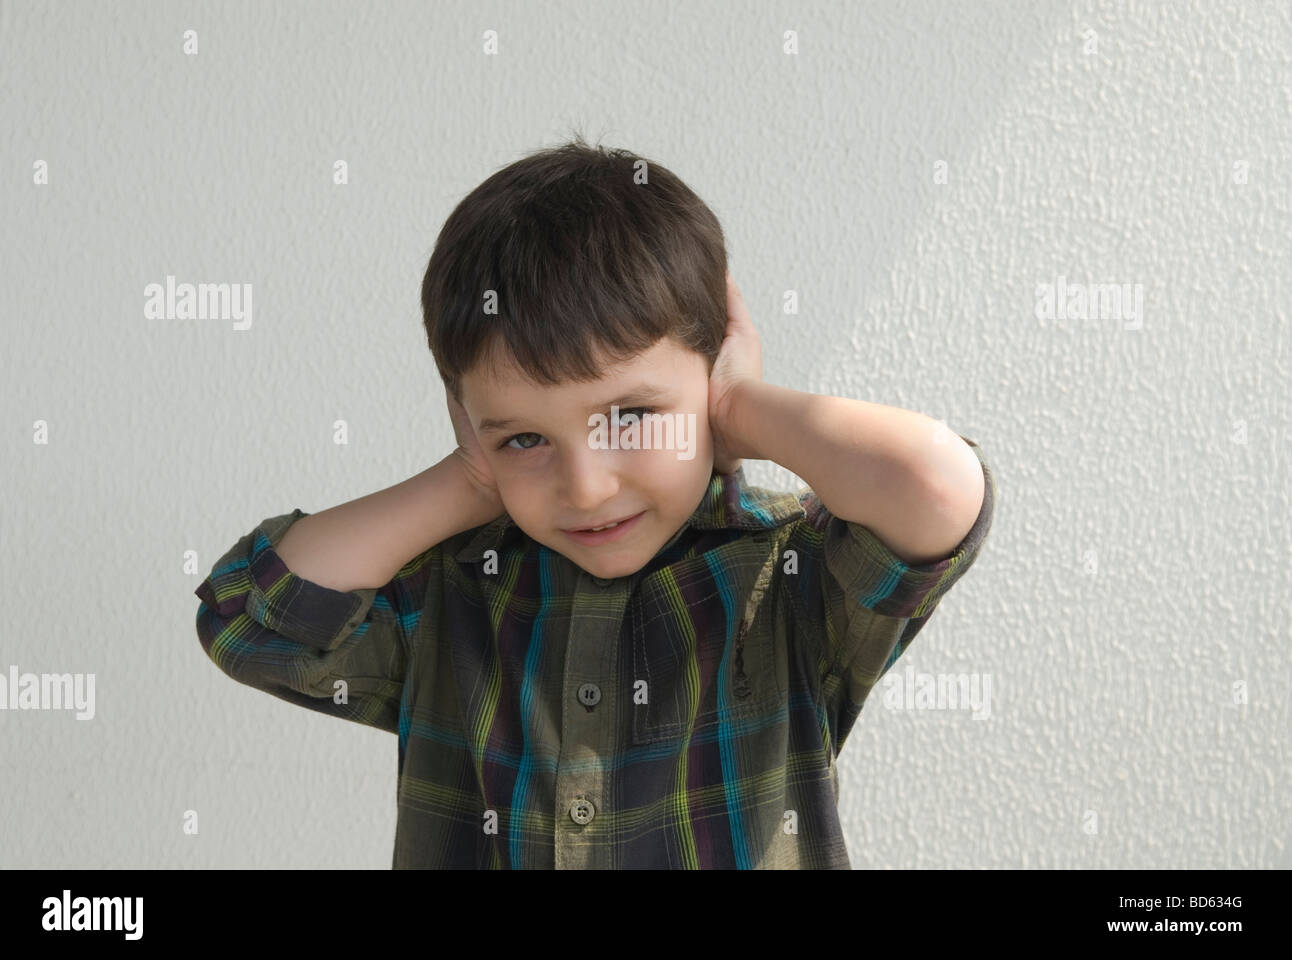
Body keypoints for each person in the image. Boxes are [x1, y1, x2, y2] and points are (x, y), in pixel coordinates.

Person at [194, 135, 996, 868]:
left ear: (711, 373)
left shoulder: (787, 573)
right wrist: (471, 477)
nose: (585, 487)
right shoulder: (450, 592)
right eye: (525, 440)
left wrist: (741, 407)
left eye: (633, 417)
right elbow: (248, 621)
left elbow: (935, 486)